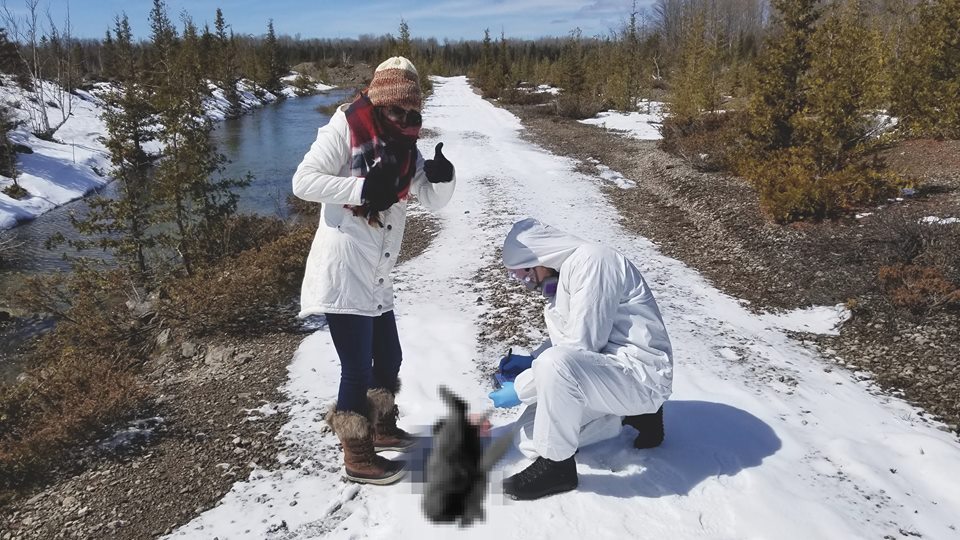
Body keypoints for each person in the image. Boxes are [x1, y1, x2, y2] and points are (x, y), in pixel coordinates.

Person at [292, 56, 456, 485]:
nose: (403, 118)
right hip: (343, 269)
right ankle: (358, 456)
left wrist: (443, 177)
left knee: (390, 357)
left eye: (411, 113)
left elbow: (434, 201)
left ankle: (382, 428)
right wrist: (363, 187)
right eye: (395, 110)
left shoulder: (406, 147)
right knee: (357, 368)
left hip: (377, 272)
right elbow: (304, 181)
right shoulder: (345, 127)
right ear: (379, 101)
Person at [489, 217, 673, 500]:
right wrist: (531, 360)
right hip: (604, 375)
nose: (526, 283)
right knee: (528, 437)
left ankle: (558, 469)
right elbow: (566, 342)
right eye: (518, 278)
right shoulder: (561, 282)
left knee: (555, 371)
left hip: (639, 374)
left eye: (525, 273)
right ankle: (632, 416)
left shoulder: (594, 262)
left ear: (541, 256)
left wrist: (522, 387)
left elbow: (579, 348)